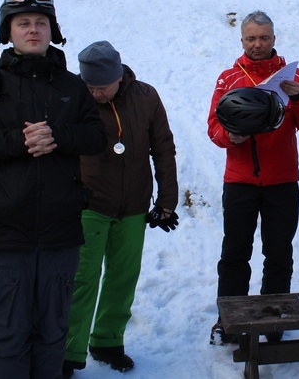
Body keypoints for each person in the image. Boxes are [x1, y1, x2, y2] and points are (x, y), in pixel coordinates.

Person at [0, 0, 107, 379]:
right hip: (5, 236)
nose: (33, 30)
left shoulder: (73, 87)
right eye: (24, 23)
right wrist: (19, 140)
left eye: (41, 23)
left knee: (53, 330)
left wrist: (58, 136)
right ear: (9, 32)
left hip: (60, 234)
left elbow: (96, 137)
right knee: (7, 334)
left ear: (53, 30)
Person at [63, 41, 178, 377]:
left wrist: (166, 202)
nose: (95, 93)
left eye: (101, 87)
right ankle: (69, 351)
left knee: (123, 277)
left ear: (119, 77)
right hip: (88, 205)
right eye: (90, 86)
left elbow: (164, 148)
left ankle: (108, 340)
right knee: (82, 279)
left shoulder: (145, 97)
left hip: (134, 207)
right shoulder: (73, 99)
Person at [207, 11, 299, 344]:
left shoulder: (293, 76)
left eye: (264, 38)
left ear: (274, 38)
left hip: (281, 182)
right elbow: (213, 127)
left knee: (279, 254)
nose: (258, 44)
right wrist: (232, 137)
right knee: (234, 255)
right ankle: (228, 320)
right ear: (241, 40)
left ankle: (273, 320)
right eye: (251, 38)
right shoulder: (229, 77)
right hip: (240, 181)